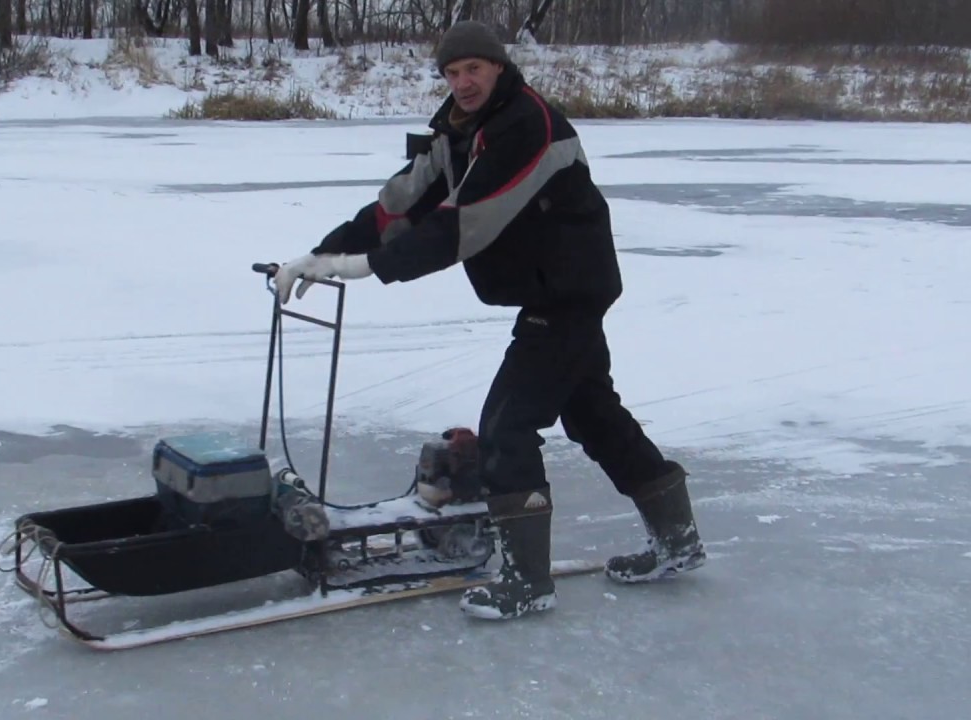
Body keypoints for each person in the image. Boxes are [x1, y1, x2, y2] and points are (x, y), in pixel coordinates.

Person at [271, 20, 705, 621]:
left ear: (499, 67)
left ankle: (528, 582)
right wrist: (322, 255)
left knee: (505, 428)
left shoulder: (527, 124)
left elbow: (465, 222)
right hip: (548, 291)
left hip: (568, 293)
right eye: (451, 73)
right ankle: (679, 543)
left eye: (474, 68)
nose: (463, 82)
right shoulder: (454, 130)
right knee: (594, 416)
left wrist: (367, 267)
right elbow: (396, 208)